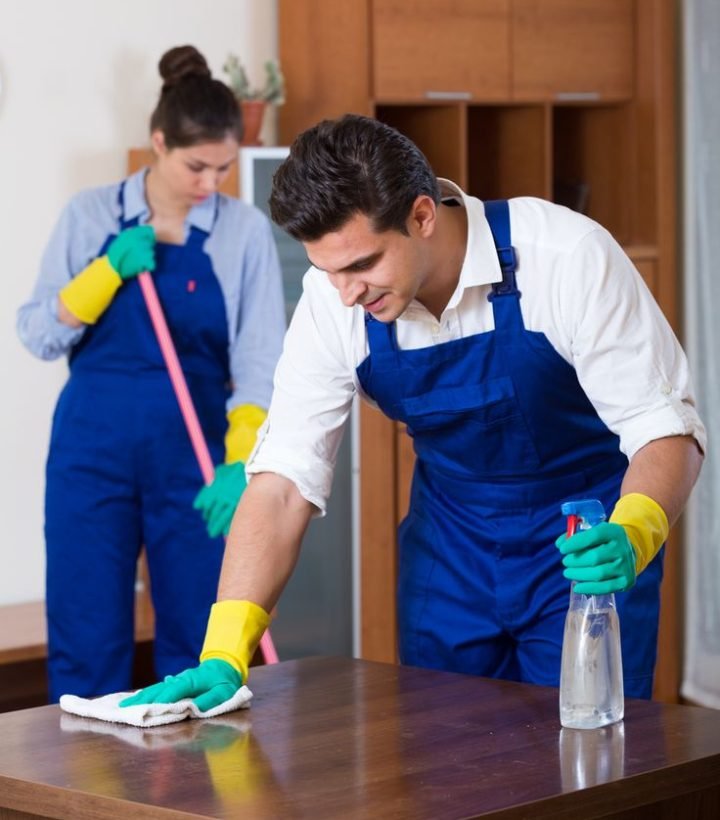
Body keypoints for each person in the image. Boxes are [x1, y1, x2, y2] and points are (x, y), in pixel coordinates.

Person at [122, 114, 705, 711]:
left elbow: (666, 430)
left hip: (583, 545)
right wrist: (224, 650)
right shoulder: (336, 299)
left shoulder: (565, 256)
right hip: (450, 551)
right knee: (446, 771)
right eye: (328, 271)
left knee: (587, 770)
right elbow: (283, 484)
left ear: (423, 216)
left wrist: (634, 532)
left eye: (361, 265)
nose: (347, 292)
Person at [17, 45, 285, 701]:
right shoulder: (91, 216)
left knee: (199, 641)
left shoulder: (244, 233)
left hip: (194, 463)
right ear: (158, 143)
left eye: (224, 168)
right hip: (91, 455)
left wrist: (239, 464)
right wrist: (102, 275)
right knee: (87, 634)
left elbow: (259, 361)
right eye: (196, 165)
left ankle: (195, 799)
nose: (210, 183)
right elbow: (37, 333)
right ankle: (79, 797)